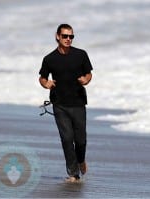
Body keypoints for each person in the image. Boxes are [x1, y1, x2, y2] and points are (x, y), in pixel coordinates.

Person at [39, 24, 93, 183]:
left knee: (81, 139)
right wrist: (45, 83)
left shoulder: (81, 55)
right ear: (57, 36)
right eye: (65, 36)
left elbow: (88, 73)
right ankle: (73, 173)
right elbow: (42, 77)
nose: (68, 39)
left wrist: (86, 80)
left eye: (71, 36)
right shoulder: (49, 59)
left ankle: (81, 160)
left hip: (78, 103)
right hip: (59, 104)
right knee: (67, 138)